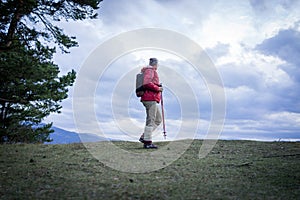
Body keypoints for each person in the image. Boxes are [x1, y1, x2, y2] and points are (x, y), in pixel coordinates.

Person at [139, 58, 163, 149]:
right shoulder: (150, 70)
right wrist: (158, 89)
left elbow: (149, 82)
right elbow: (147, 83)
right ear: (155, 64)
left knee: (158, 119)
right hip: (150, 98)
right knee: (151, 120)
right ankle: (147, 142)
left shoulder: (148, 71)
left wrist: (157, 85)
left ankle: (144, 136)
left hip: (150, 98)